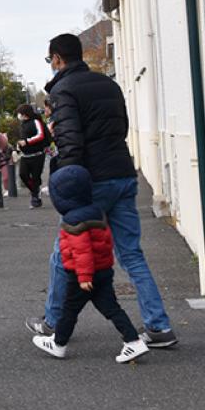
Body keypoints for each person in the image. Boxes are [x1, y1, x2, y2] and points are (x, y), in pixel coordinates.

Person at [26, 33, 177, 348]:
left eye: (49, 60)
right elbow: (120, 128)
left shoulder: (64, 90)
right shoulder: (110, 85)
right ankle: (159, 327)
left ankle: (53, 323)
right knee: (131, 253)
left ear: (57, 58)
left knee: (63, 251)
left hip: (89, 181)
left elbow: (70, 143)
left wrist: (65, 183)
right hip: (122, 173)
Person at [30, 165, 150, 363]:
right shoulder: (97, 212)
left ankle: (58, 344)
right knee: (112, 308)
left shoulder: (73, 221)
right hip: (103, 271)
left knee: (69, 310)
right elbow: (105, 242)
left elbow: (82, 250)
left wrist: (84, 277)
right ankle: (134, 341)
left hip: (82, 276)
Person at [16, 103, 49, 208]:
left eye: (20, 114)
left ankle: (35, 198)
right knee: (23, 175)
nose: (19, 116)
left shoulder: (36, 121)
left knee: (35, 177)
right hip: (25, 155)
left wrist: (27, 141)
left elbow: (40, 135)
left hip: (37, 155)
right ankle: (35, 190)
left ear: (25, 114)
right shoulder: (22, 124)